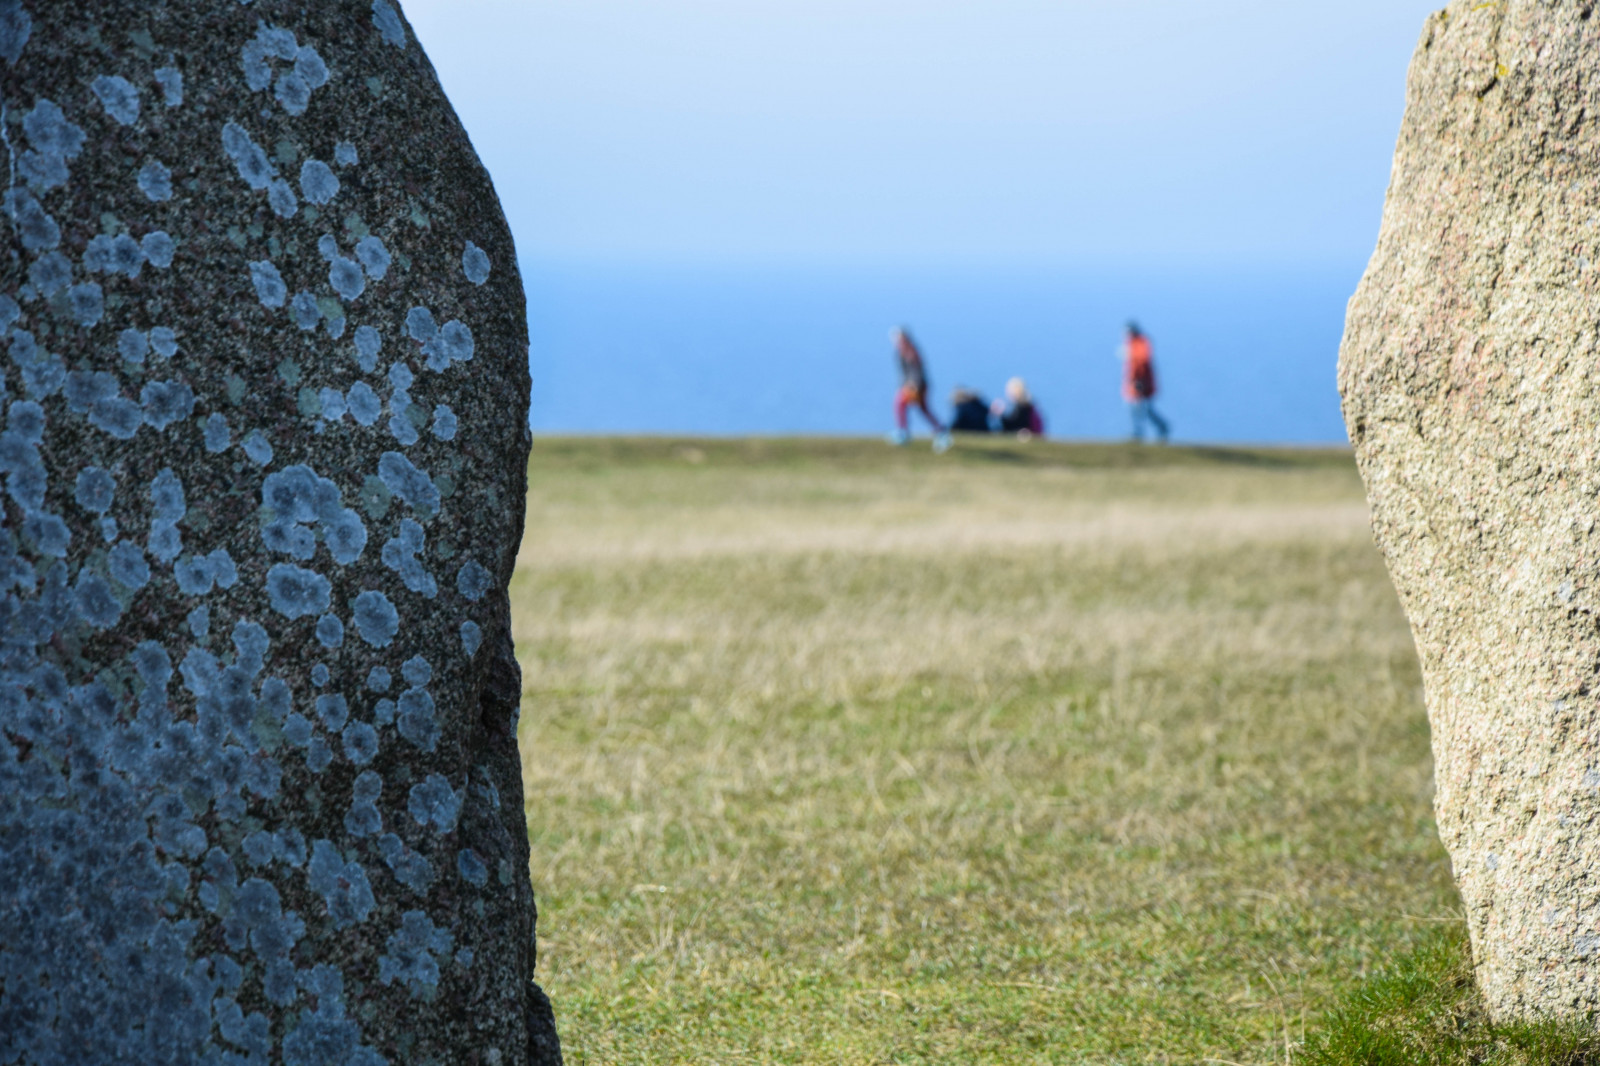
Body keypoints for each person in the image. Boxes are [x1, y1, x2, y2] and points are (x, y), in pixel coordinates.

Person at [890, 327, 951, 452]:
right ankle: (940, 430)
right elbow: (903, 373)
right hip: (912, 385)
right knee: (919, 409)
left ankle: (903, 432)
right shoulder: (901, 353)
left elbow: (917, 371)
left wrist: (914, 385)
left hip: (918, 386)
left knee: (902, 404)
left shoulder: (911, 352)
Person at [1122, 322, 1169, 443]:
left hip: (1141, 382)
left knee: (1142, 409)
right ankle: (1140, 432)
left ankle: (1148, 430)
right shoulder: (1132, 344)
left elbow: (1142, 362)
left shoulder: (1140, 343)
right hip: (1136, 382)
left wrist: (1138, 380)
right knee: (1139, 409)